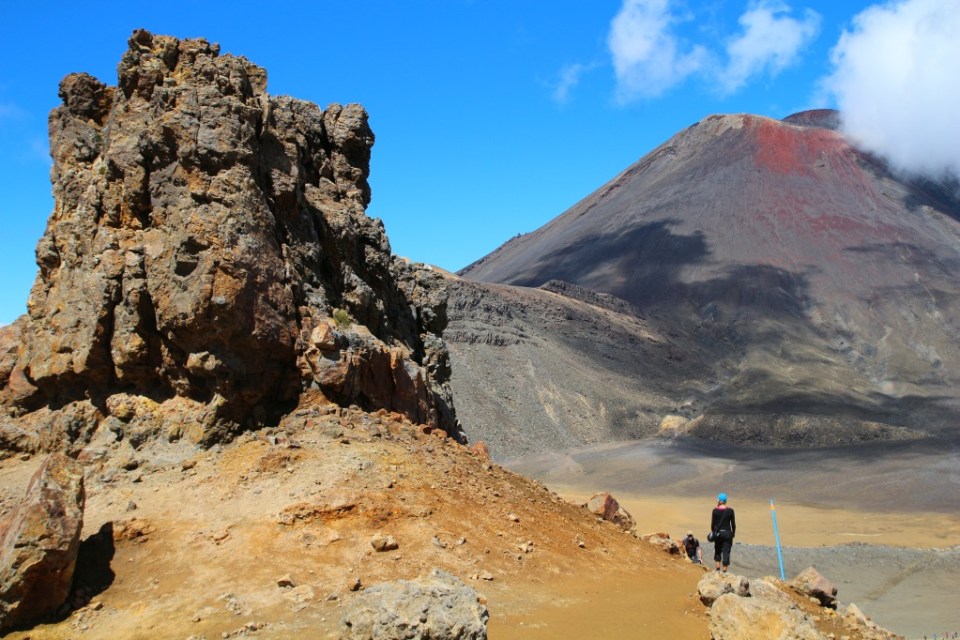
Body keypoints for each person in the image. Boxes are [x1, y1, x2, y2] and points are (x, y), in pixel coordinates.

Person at [711, 492, 736, 572]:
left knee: (717, 550)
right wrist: (733, 533)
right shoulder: (730, 511)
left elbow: (713, 524)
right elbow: (733, 524)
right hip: (728, 533)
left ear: (719, 500)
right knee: (726, 551)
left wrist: (713, 532)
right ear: (725, 501)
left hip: (718, 533)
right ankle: (724, 571)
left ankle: (718, 569)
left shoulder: (715, 511)